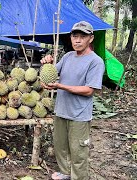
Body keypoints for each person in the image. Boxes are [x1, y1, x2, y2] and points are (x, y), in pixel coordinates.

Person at [41, 21, 105, 180]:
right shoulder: (68, 56)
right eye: (74, 36)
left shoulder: (95, 61)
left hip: (79, 115)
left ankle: (79, 177)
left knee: (78, 152)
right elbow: (51, 76)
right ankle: (65, 173)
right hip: (61, 111)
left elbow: (89, 90)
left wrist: (61, 86)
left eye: (82, 37)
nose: (77, 40)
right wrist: (47, 64)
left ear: (90, 38)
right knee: (61, 147)